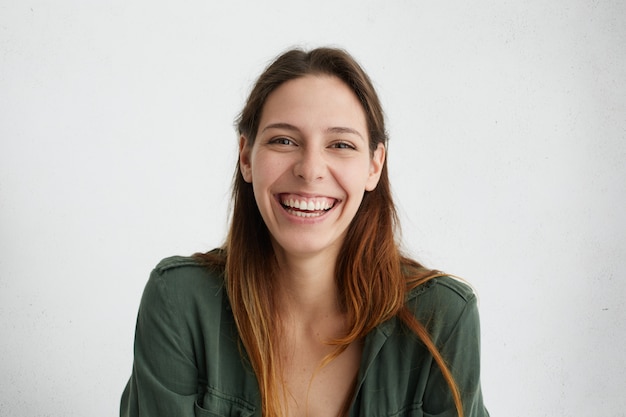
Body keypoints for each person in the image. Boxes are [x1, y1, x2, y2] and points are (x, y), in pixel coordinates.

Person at [120, 47, 489, 417]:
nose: (310, 169)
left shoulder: (442, 318)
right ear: (246, 157)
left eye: (341, 145)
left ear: (374, 166)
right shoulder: (179, 303)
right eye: (284, 140)